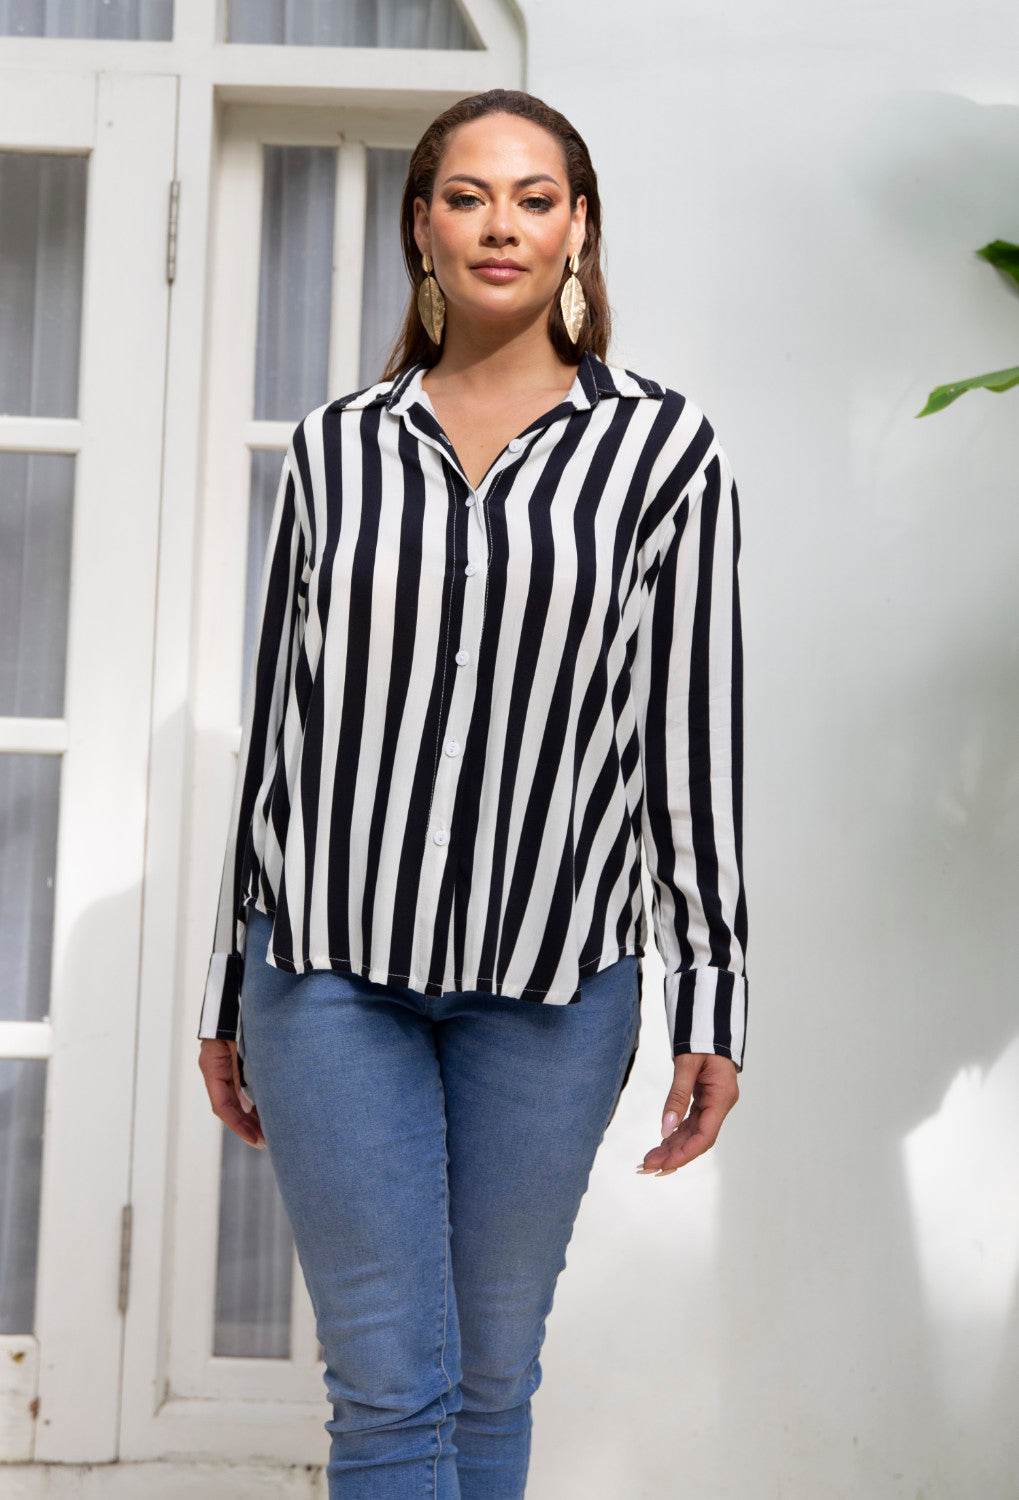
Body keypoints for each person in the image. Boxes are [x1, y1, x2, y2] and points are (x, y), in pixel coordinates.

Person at [197, 87, 748, 1500]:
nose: (501, 224)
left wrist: (712, 1002)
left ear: (579, 230)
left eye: (535, 197)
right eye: (467, 196)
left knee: (491, 1378)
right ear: (422, 228)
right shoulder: (335, 448)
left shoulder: (664, 452)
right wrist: (226, 985)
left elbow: (691, 741)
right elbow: (279, 728)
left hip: (556, 985)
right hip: (329, 972)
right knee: (391, 1391)